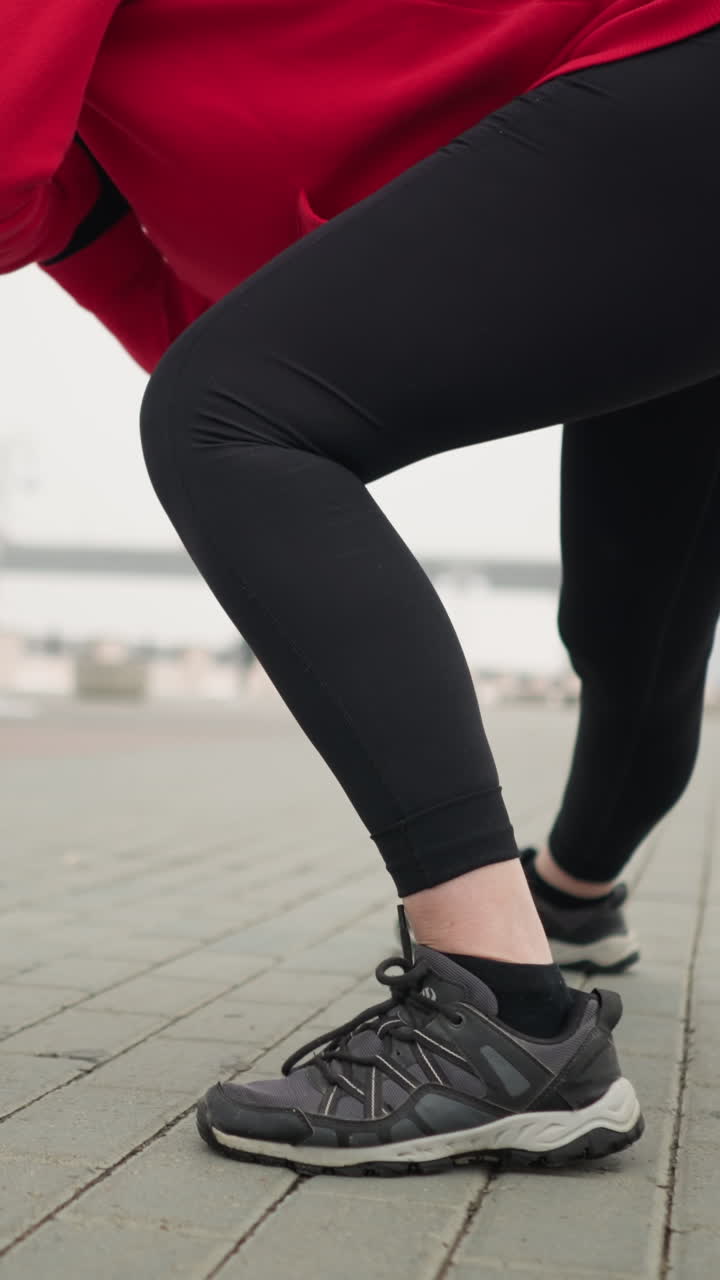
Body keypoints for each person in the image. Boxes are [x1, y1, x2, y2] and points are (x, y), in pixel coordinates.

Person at [4, 1, 720, 1176]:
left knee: (220, 418)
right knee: (629, 630)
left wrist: (248, 431)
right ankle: (573, 896)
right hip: (658, 100)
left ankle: (502, 1015)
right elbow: (181, 312)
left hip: (667, 78)